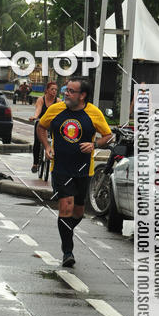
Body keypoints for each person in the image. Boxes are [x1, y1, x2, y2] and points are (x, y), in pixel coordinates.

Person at [38, 77, 112, 267]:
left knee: (78, 211)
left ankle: (67, 231)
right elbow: (41, 126)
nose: (66, 93)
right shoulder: (56, 109)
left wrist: (94, 144)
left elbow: (108, 136)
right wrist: (47, 146)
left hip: (84, 169)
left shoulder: (94, 113)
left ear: (82, 95)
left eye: (71, 91)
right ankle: (67, 251)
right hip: (61, 168)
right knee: (66, 207)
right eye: (66, 90)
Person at [30, 80, 58, 174]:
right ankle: (35, 163)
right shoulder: (41, 99)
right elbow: (38, 109)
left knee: (58, 140)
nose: (54, 91)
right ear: (47, 90)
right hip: (41, 123)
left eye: (56, 90)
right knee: (37, 141)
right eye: (52, 89)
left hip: (53, 125)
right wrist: (35, 117)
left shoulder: (58, 101)